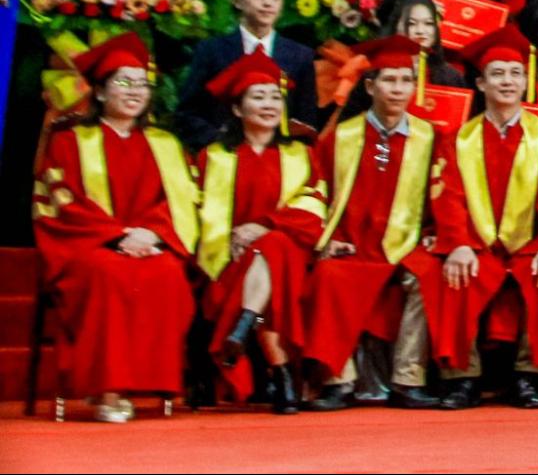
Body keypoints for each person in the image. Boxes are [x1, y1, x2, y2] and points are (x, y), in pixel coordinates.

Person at [34, 32, 199, 422]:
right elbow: (62, 201)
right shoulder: (70, 141)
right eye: (123, 82)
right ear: (101, 91)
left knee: (167, 273)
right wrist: (118, 236)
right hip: (89, 247)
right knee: (108, 273)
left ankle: (146, 385)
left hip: (151, 243)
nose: (134, 91)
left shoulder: (167, 145)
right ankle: (108, 391)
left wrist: (153, 234)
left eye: (142, 83)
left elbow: (183, 200)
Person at [428, 29, 538, 410]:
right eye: (497, 74)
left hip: (529, 247)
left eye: (514, 73)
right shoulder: (458, 139)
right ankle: (462, 379)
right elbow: (447, 198)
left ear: (526, 81)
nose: (507, 81)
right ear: (480, 83)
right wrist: (458, 244)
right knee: (455, 276)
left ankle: (530, 377)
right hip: (476, 247)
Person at [302, 36, 446, 411]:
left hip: (405, 244)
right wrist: (324, 238)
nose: (398, 89)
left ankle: (408, 379)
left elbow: (444, 195)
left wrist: (435, 234)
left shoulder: (430, 137)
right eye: (389, 80)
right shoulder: (341, 137)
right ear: (369, 86)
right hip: (352, 244)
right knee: (329, 273)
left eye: (405, 80)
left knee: (428, 275)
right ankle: (338, 380)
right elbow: (316, 191)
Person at [194, 53, 328, 414]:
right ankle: (280, 370)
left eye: (274, 97)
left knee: (273, 244)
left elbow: (315, 205)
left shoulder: (301, 154)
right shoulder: (214, 157)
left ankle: (248, 327)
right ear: (237, 109)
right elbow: (196, 210)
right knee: (268, 254)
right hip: (230, 258)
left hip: (293, 253)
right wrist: (230, 241)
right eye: (258, 97)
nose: (269, 105)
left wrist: (263, 225)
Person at [177, 0, 319, 149]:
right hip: (223, 153)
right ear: (237, 0)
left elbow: (306, 119)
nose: (268, 3)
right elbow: (187, 112)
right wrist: (220, 143)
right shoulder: (211, 50)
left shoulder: (300, 55)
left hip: (279, 156)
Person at [378, 0, 466, 91]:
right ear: (395, 26)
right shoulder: (375, 70)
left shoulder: (451, 77)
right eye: (411, 23)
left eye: (428, 23)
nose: (420, 31)